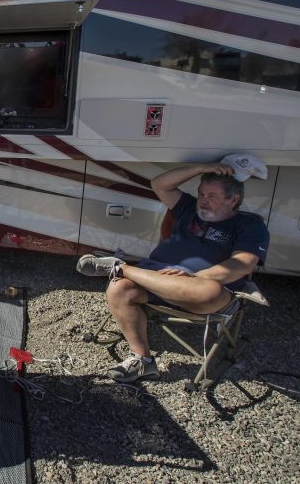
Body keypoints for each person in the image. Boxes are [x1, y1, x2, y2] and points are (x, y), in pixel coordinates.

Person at [75, 162, 269, 383]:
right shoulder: (189, 208)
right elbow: (159, 184)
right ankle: (142, 361)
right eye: (201, 193)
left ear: (233, 200)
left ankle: (120, 267)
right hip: (155, 276)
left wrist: (197, 277)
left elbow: (243, 264)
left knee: (209, 291)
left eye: (213, 196)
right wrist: (199, 169)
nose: (204, 200)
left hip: (199, 288)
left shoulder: (249, 225)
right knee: (119, 288)